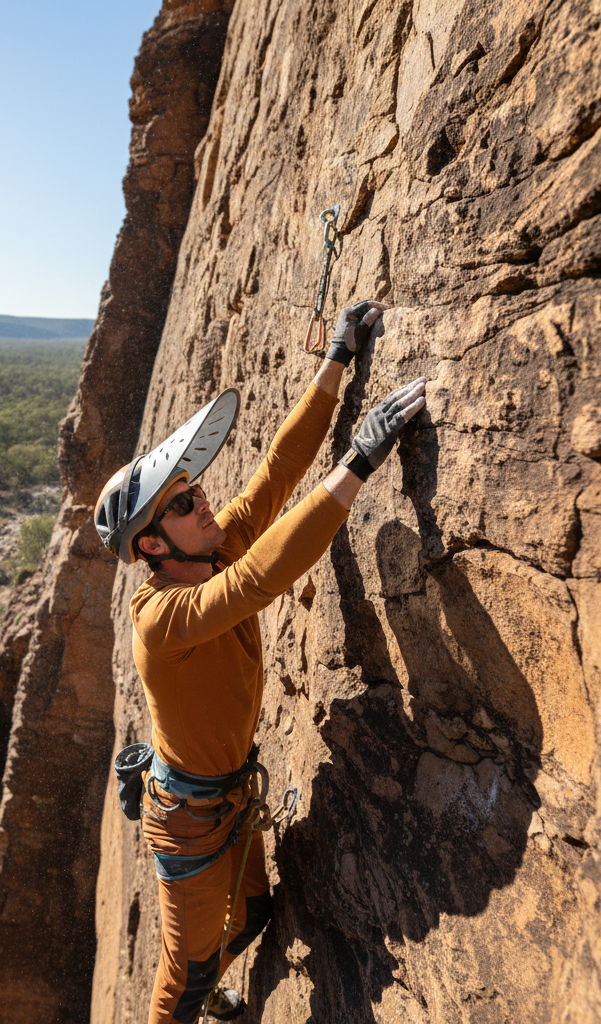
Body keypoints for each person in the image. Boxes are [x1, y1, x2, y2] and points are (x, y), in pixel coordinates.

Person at [94, 300, 427, 1024]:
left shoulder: (211, 550)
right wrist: (357, 464)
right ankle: (196, 1003)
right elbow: (253, 585)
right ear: (152, 545)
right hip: (188, 822)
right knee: (183, 977)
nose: (204, 502)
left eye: (194, 489)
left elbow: (275, 473)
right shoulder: (160, 617)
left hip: (227, 796)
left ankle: (213, 990)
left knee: (250, 919)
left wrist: (335, 362)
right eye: (183, 502)